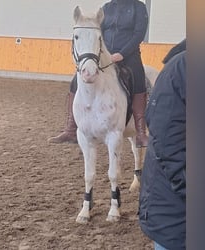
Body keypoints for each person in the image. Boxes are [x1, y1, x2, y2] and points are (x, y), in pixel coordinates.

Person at [48, 0, 149, 147]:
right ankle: (70, 129)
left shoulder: (138, 7)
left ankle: (140, 133)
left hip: (129, 56)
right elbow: (97, 32)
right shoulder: (107, 8)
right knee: (76, 80)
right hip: (104, 56)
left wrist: (122, 54)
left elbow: (138, 34)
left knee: (138, 80)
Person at [138, 40, 186, 250]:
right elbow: (171, 144)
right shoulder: (182, 68)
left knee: (132, 74)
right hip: (176, 214)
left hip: (127, 54)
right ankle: (71, 125)